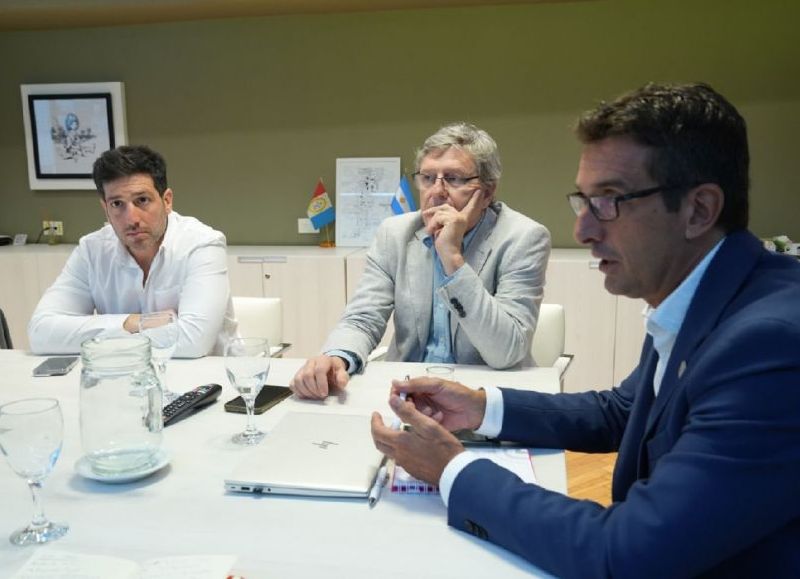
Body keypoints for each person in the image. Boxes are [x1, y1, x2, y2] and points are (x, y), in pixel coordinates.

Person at [371, 83, 800, 577]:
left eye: (610, 200)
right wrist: (480, 407)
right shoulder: (704, 295)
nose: (583, 231)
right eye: (585, 201)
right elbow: (622, 411)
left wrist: (454, 469)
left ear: (699, 210)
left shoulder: (770, 344)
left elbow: (626, 554)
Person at [292, 122, 551, 399]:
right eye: (427, 178)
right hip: (408, 390)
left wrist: (452, 257)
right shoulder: (394, 234)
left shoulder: (523, 238)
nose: (436, 191)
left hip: (481, 395)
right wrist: (338, 357)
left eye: (453, 178)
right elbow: (363, 318)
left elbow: (506, 351)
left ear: (487, 192)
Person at [28, 145, 237, 357]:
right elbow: (40, 333)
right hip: (126, 372)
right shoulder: (91, 250)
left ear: (166, 201)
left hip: (209, 375)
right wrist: (133, 322)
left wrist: (101, 336)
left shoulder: (202, 244)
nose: (131, 219)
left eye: (142, 200)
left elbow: (194, 342)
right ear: (105, 208)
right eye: (117, 204)